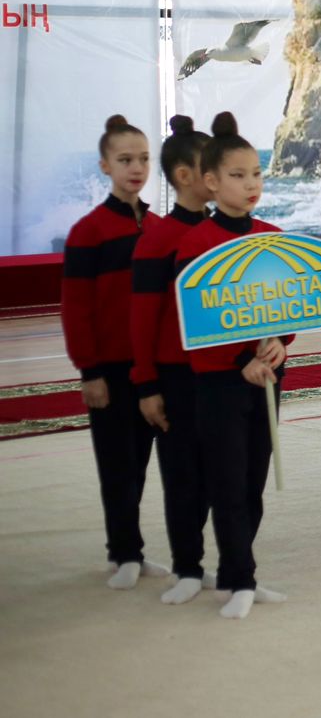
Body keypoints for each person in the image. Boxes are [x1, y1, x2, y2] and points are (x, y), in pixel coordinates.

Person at [174, 113, 291, 618]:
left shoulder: (273, 236)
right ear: (211, 182)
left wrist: (282, 342)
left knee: (253, 482)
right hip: (219, 382)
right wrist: (240, 359)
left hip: (267, 377)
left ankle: (236, 573)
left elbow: (290, 306)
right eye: (238, 176)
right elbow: (195, 322)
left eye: (257, 174)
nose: (250, 185)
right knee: (226, 482)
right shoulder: (196, 245)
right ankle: (239, 578)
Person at [63, 115, 165, 590]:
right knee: (117, 464)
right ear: (105, 165)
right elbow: (76, 308)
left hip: (153, 369)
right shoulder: (89, 231)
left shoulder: (159, 227)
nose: (136, 168)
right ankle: (123, 552)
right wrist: (90, 371)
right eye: (125, 160)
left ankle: (134, 549)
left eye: (143, 159)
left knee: (142, 461)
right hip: (110, 369)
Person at [130, 116, 213, 603]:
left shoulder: (220, 231)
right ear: (185, 176)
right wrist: (146, 384)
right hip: (175, 375)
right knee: (182, 474)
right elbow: (141, 319)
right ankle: (187, 566)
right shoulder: (158, 238)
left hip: (219, 374)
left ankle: (206, 562)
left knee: (215, 473)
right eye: (211, 167)